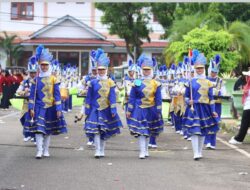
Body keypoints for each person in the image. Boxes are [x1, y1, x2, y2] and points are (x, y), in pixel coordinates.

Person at [24, 45, 67, 159]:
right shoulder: (35, 80)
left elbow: (57, 95)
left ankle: (46, 150)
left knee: (47, 130)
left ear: (49, 66)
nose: (44, 67)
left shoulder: (54, 79)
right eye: (42, 65)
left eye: (46, 65)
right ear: (39, 66)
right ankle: (39, 150)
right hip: (38, 107)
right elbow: (32, 96)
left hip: (51, 107)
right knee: (39, 129)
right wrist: (31, 108)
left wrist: (58, 109)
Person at [84, 48, 122, 158]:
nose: (101, 71)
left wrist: (113, 109)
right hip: (95, 110)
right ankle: (97, 150)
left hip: (106, 109)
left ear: (106, 70)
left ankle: (102, 150)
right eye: (99, 70)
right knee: (95, 130)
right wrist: (87, 109)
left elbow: (112, 97)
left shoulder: (110, 82)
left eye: (103, 70)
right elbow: (89, 97)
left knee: (104, 131)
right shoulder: (92, 82)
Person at [183, 49, 219, 161]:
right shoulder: (190, 81)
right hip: (194, 108)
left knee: (203, 130)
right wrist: (189, 101)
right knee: (195, 130)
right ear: (194, 68)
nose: (199, 70)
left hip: (205, 108)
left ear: (204, 68)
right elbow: (186, 96)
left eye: (201, 68)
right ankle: (195, 152)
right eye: (197, 68)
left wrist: (213, 110)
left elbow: (211, 98)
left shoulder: (209, 82)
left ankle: (200, 151)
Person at [126, 54, 164, 159]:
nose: (146, 72)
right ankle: (142, 151)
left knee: (149, 130)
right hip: (140, 109)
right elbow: (132, 97)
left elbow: (158, 98)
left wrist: (159, 111)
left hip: (151, 109)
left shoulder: (156, 83)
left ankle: (146, 150)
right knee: (142, 130)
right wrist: (129, 110)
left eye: (148, 70)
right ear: (141, 70)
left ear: (151, 70)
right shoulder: (137, 82)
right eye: (144, 70)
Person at [205, 55, 226, 149]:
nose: (213, 73)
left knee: (215, 122)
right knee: (206, 122)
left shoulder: (220, 81)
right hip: (207, 104)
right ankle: (207, 141)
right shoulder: (205, 79)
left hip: (217, 104)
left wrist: (218, 92)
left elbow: (223, 92)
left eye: (215, 72)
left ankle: (212, 143)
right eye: (212, 71)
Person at [16, 56, 38, 142]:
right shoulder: (25, 82)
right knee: (23, 119)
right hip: (26, 104)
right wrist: (24, 92)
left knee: (35, 121)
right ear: (28, 72)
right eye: (31, 72)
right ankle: (28, 134)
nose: (32, 74)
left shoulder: (39, 81)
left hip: (36, 104)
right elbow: (18, 91)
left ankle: (34, 136)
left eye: (34, 72)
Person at [229, 70, 250, 144]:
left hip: (248, 108)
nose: (246, 77)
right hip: (247, 106)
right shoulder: (248, 85)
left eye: (248, 76)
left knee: (244, 124)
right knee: (245, 124)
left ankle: (238, 139)